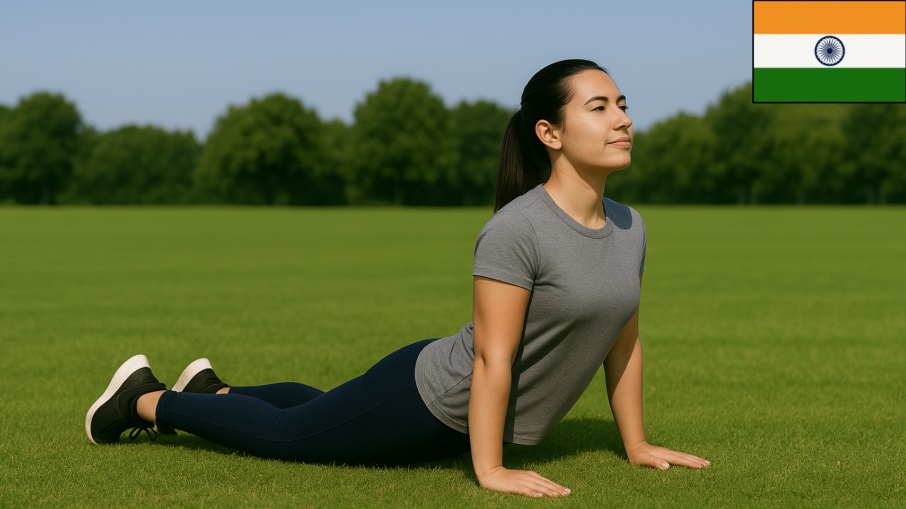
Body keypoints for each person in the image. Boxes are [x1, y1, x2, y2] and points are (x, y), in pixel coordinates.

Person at [86, 59, 710, 498]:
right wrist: (489, 470)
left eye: (622, 104)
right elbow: (494, 358)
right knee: (291, 437)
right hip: (432, 400)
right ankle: (143, 399)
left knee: (324, 411)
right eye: (598, 107)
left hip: (452, 409)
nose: (621, 119)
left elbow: (621, 343)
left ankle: (215, 392)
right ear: (549, 133)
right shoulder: (519, 230)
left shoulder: (631, 227)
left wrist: (637, 445)